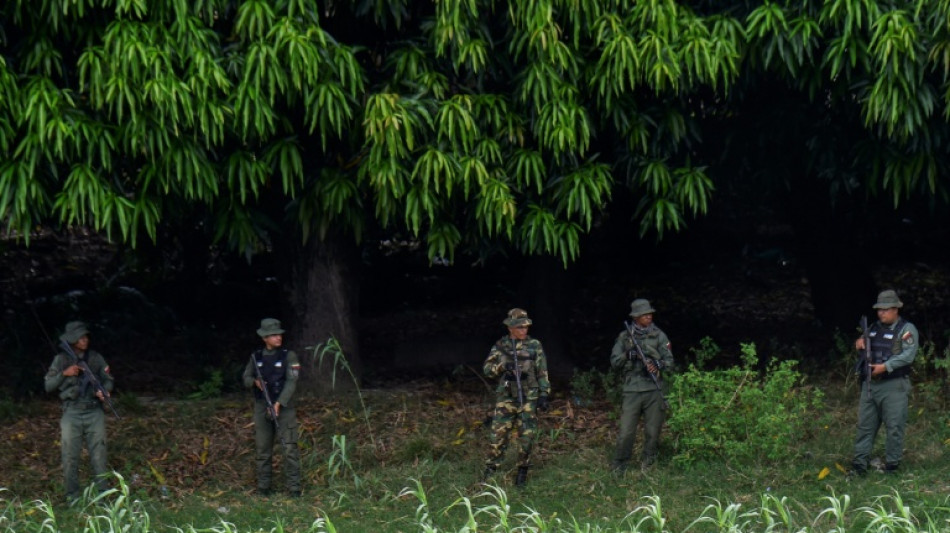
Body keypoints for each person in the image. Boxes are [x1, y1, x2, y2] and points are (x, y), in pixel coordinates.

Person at [44, 321, 115, 502]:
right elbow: (48, 386)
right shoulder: (61, 360)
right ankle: (72, 497)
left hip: (94, 411)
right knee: (69, 455)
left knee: (99, 456)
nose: (85, 340)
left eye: (86, 336)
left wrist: (105, 391)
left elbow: (108, 379)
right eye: (81, 337)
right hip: (72, 412)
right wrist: (64, 374)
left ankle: (103, 497)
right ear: (72, 339)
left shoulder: (95, 358)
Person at [851, 289, 918, 476]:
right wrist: (859, 342)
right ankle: (859, 464)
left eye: (886, 309)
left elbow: (908, 355)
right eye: (879, 309)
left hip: (894, 385)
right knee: (865, 425)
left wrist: (886, 366)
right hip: (871, 384)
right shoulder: (872, 328)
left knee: (894, 426)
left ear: (896, 309)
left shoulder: (906, 329)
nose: (882, 313)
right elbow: (865, 343)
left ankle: (892, 465)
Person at [482, 308, 551, 486]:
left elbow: (542, 371)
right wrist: (502, 366)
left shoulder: (534, 345)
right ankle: (491, 468)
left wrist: (544, 394)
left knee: (527, 435)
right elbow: (487, 370)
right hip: (506, 397)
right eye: (519, 327)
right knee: (499, 434)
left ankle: (522, 471)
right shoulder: (500, 346)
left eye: (525, 327)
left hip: (529, 397)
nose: (523, 331)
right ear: (510, 328)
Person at [611, 299, 675, 472]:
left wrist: (657, 365)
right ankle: (620, 464)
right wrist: (628, 355)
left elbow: (670, 362)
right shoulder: (625, 337)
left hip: (654, 389)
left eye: (650, 314)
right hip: (632, 389)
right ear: (636, 317)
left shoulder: (659, 335)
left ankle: (649, 462)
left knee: (653, 431)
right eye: (644, 314)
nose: (649, 317)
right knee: (626, 431)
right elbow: (615, 362)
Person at [242, 318, 302, 496]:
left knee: (289, 447)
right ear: (264, 338)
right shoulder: (256, 357)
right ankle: (264, 487)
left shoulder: (289, 356)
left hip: (284, 407)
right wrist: (255, 381)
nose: (278, 338)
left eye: (279, 334)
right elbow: (245, 378)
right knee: (263, 449)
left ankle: (294, 488)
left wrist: (278, 403)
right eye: (273, 335)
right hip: (262, 406)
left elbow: (292, 382)